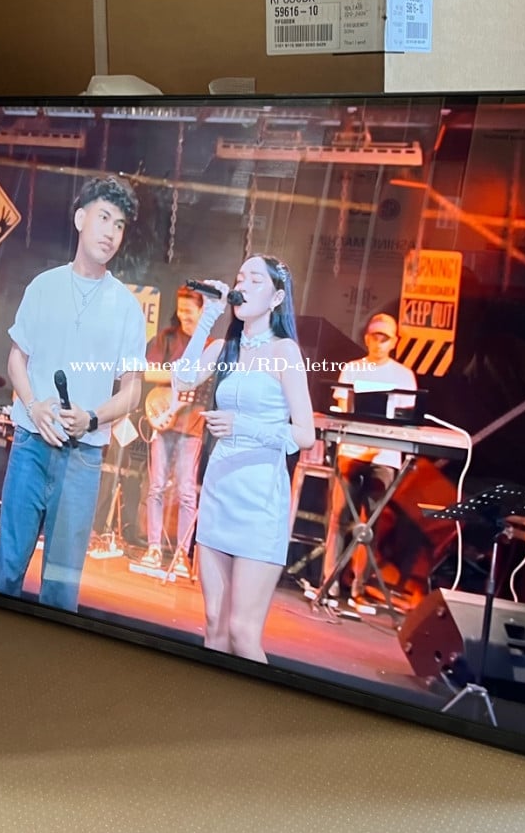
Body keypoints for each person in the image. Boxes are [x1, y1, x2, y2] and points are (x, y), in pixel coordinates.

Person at [0, 175, 146, 611]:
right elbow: (16, 358)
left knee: (60, 585)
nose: (110, 232)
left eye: (119, 225)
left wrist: (92, 417)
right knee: (7, 568)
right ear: (80, 219)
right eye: (103, 218)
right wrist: (33, 404)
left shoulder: (127, 307)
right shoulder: (44, 286)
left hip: (83, 457)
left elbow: (133, 391)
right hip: (30, 445)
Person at [174, 256, 315, 663]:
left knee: (242, 631)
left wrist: (245, 426)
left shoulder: (285, 352)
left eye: (255, 280)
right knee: (214, 623)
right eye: (239, 278)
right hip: (219, 492)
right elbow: (182, 379)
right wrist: (209, 316)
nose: (242, 286)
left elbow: (305, 434)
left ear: (276, 297)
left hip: (259, 500)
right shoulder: (225, 348)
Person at [322, 312, 418, 608]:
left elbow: (405, 420)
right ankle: (329, 584)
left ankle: (358, 588)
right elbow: (341, 408)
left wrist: (376, 448)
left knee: (370, 523)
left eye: (384, 338)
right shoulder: (352, 369)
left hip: (384, 456)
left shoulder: (404, 376)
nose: (379, 343)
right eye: (374, 337)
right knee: (339, 518)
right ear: (366, 339)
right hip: (351, 452)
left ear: (394, 342)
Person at [140, 286, 207, 575]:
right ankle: (153, 548)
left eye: (189, 311)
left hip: (192, 425)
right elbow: (148, 371)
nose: (184, 316)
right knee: (156, 486)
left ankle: (181, 553)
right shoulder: (167, 337)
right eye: (180, 310)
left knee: (186, 491)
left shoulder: (209, 345)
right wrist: (179, 375)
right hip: (162, 417)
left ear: (203, 311)